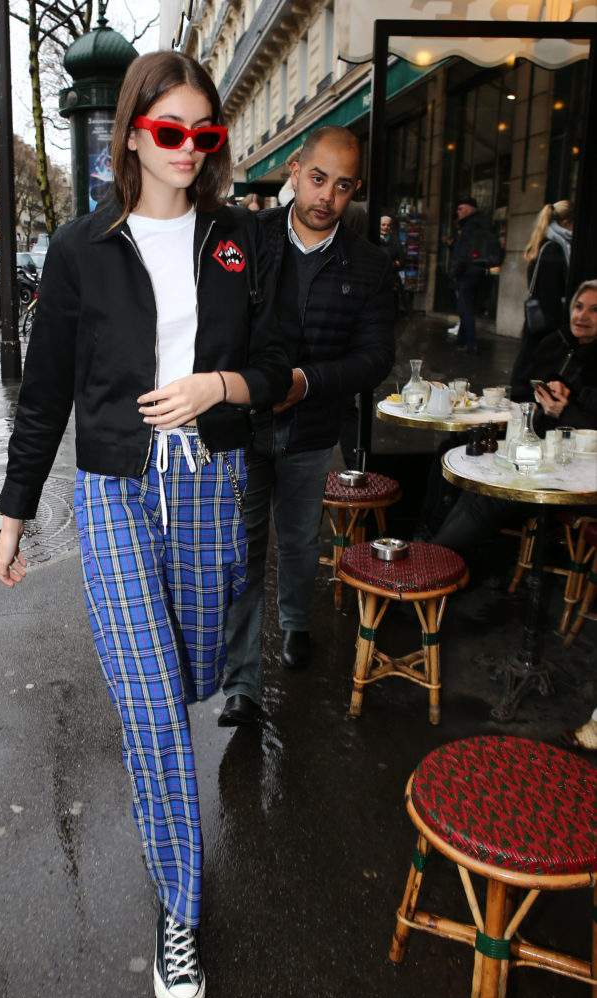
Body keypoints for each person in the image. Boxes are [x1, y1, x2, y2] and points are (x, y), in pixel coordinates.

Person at [0, 50, 291, 998]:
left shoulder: (245, 238)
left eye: (204, 132)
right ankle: (178, 904)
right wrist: (14, 509)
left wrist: (218, 386)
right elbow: (44, 395)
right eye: (170, 130)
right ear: (130, 134)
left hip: (211, 482)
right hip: (117, 490)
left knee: (196, 673)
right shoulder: (80, 247)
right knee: (152, 705)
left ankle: (175, 806)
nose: (189, 148)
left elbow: (282, 367)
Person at [219, 125, 395, 727]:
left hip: (312, 427)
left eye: (342, 187)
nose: (326, 196)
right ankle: (241, 680)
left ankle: (295, 626)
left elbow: (376, 358)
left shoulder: (369, 265)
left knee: (297, 543)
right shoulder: (246, 236)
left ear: (354, 190)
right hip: (240, 427)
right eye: (318, 179)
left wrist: (308, 381)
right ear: (295, 170)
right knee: (242, 551)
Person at [430, 281, 597, 554]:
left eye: (594, 310)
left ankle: (434, 564)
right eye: (579, 307)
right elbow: (519, 391)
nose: (582, 316)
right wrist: (538, 400)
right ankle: (431, 544)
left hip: (574, 473)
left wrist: (564, 410)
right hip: (537, 450)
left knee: (488, 493)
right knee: (454, 453)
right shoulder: (558, 343)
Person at [511, 199, 574, 382]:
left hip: (541, 319)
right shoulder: (554, 248)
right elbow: (550, 292)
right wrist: (560, 327)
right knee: (534, 366)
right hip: (548, 321)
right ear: (565, 223)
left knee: (530, 362)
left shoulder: (545, 243)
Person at [447, 196, 497, 353]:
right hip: (477, 271)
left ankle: (470, 342)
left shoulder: (470, 228)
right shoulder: (481, 225)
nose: (458, 212)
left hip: (468, 272)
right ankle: (463, 339)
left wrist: (455, 272)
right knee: (466, 306)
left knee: (465, 307)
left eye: (460, 209)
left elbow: (463, 253)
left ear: (468, 209)